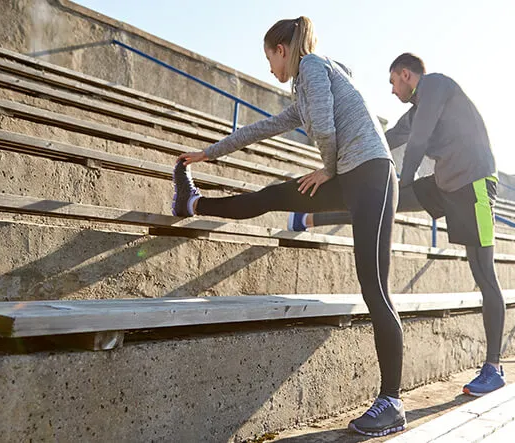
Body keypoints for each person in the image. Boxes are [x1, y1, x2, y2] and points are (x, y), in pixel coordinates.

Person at [172, 17, 406, 436]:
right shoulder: (303, 91)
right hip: (349, 175)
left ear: (283, 50)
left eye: (269, 59)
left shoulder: (312, 66)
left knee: (375, 289)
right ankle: (192, 202)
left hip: (371, 176)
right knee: (273, 195)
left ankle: (392, 401)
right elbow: (260, 129)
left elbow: (328, 128)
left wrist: (326, 169)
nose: (270, 69)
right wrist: (209, 153)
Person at [288, 53, 507, 397]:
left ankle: (493, 367)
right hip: (445, 183)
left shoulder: (436, 85)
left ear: (406, 74)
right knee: (378, 204)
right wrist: (334, 165)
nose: (392, 90)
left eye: (392, 82)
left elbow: (418, 140)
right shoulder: (414, 113)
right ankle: (311, 217)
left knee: (483, 272)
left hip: (473, 182)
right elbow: (385, 140)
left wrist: (403, 180)